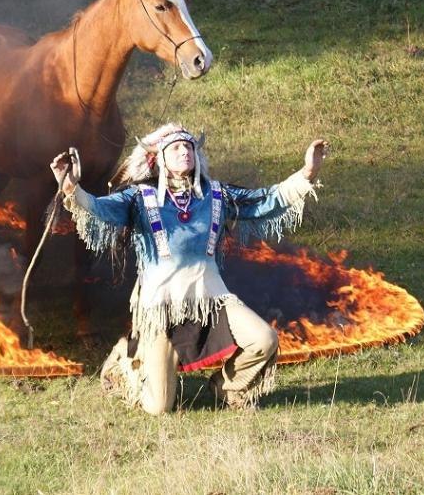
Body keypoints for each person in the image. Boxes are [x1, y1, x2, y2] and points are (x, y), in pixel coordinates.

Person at [50, 123, 328, 414]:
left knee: (264, 339)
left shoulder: (218, 195)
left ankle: (227, 388)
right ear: (159, 159)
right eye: (176, 148)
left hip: (212, 300)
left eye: (189, 147)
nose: (184, 151)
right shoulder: (139, 198)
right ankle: (125, 360)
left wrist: (308, 172)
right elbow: (98, 208)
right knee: (158, 407)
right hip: (161, 308)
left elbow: (266, 200)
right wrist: (69, 185)